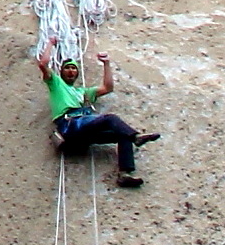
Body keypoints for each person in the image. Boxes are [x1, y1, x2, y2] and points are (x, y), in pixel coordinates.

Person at [38, 37, 160, 188]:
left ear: (77, 73)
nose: (71, 70)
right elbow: (43, 63)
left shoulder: (83, 93)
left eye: (74, 68)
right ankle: (135, 137)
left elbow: (108, 87)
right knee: (110, 119)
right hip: (69, 125)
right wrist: (50, 43)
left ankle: (124, 174)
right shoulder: (56, 83)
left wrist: (107, 64)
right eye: (67, 68)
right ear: (61, 72)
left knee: (122, 134)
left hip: (82, 131)